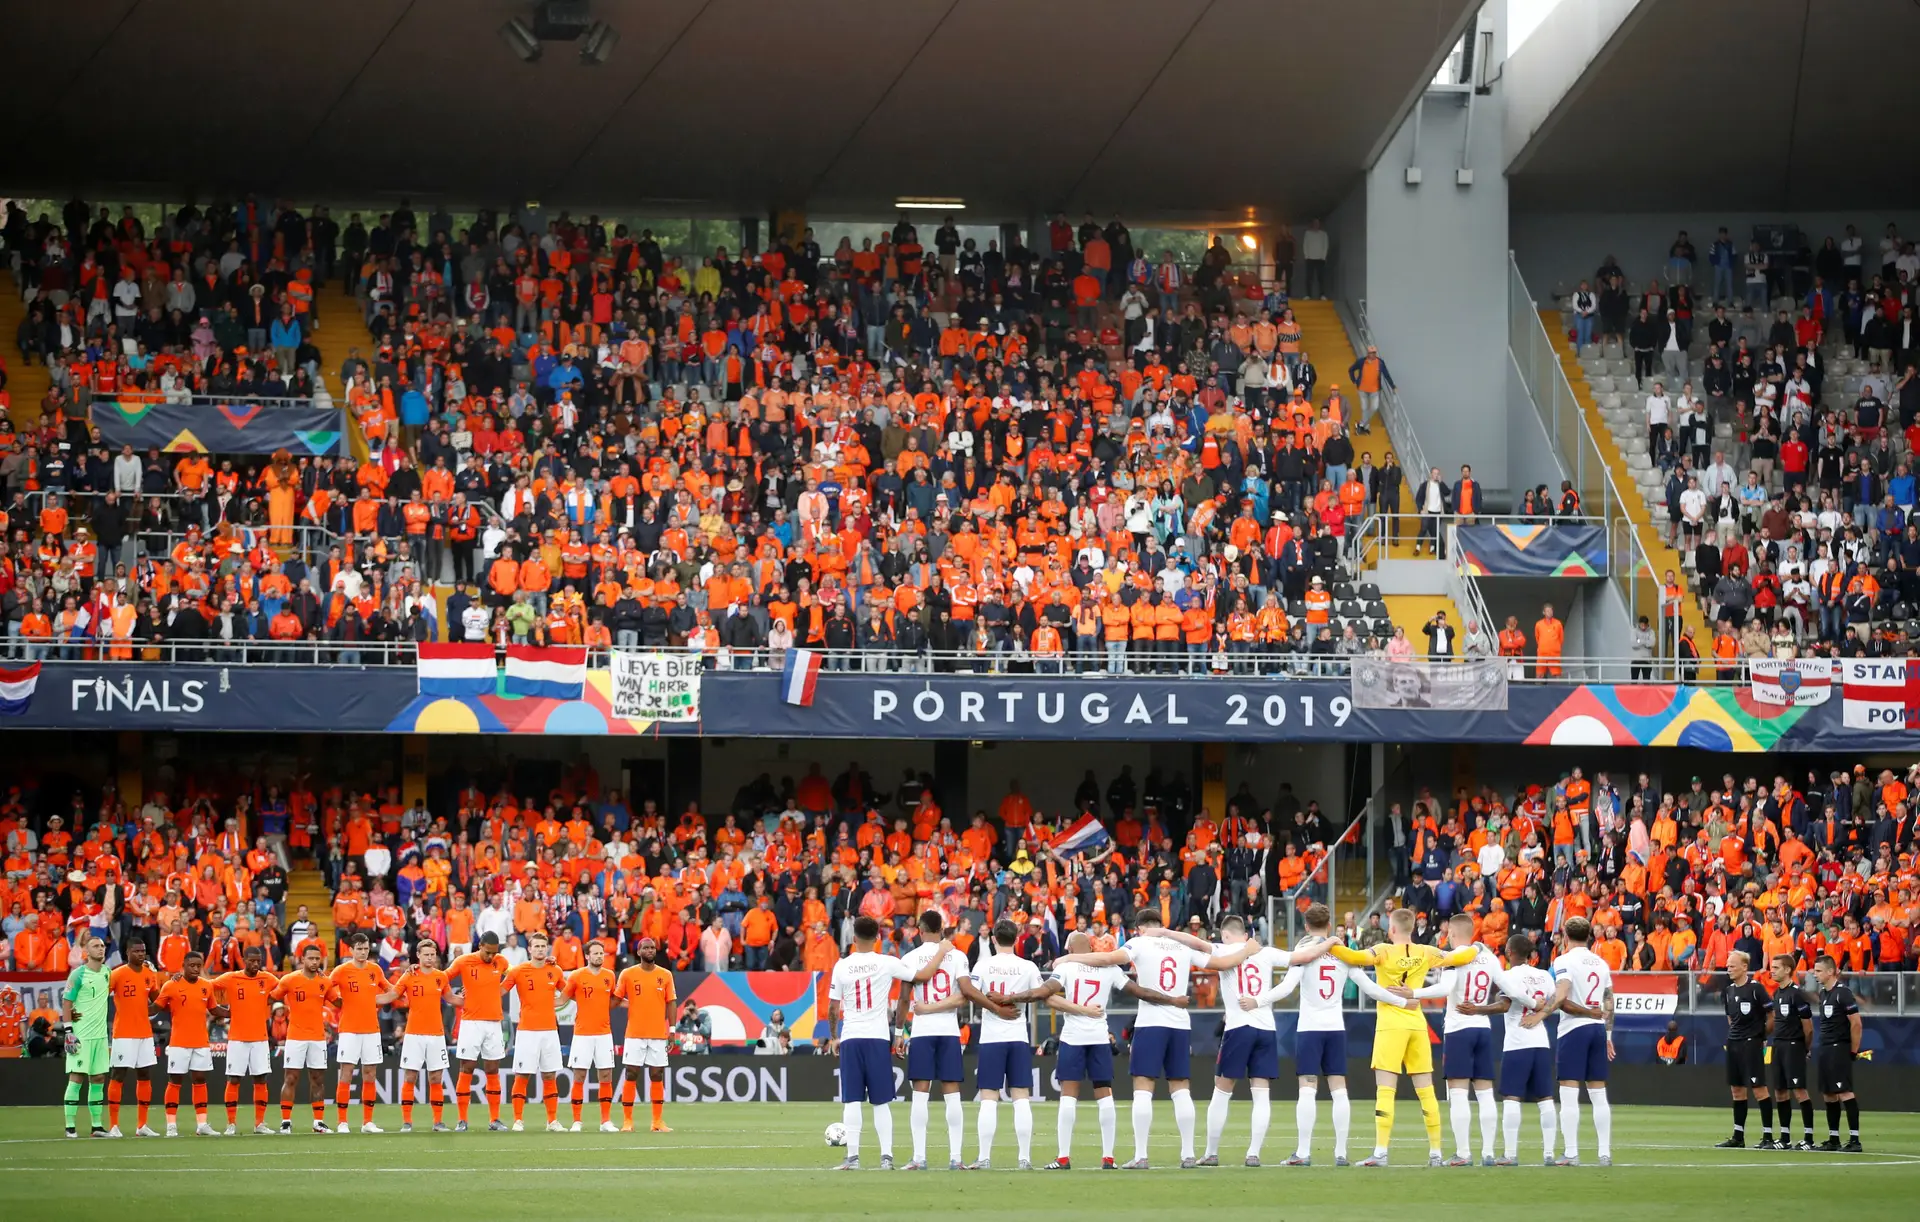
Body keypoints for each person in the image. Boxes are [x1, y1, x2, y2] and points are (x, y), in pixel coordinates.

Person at [1055, 911, 1264, 1169]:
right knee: (1180, 1088)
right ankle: (1188, 1153)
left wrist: (1069, 957)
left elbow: (1109, 958)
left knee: (1143, 1086)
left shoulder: (1140, 942)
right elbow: (1221, 965)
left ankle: (1141, 1155)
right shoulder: (1181, 944)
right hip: (1179, 1023)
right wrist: (1247, 950)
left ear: (1141, 927)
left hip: (1151, 1022)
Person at [1323, 906, 1481, 1166]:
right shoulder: (1426, 952)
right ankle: (1435, 1153)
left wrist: (1329, 942)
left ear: (1391, 929)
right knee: (1427, 1091)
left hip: (1390, 1023)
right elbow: (1460, 958)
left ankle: (1381, 1152)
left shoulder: (1383, 950)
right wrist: (1477, 948)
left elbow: (1350, 956)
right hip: (1417, 1024)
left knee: (1385, 1088)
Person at [1260, 903, 1410, 1165]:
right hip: (1335, 1029)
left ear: (1306, 926)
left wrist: (1258, 1000)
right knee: (1339, 1089)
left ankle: (1304, 1153)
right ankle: (1341, 1152)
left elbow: (1285, 988)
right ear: (1329, 925)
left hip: (1310, 1028)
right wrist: (1402, 1001)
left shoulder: (1304, 952)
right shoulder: (1343, 953)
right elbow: (1370, 988)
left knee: (1307, 1088)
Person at [827, 914, 950, 1171]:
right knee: (881, 1101)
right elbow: (924, 975)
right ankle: (886, 1157)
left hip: (851, 1036)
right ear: (877, 938)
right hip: (877, 1038)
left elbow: (833, 1006)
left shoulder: (841, 966)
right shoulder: (887, 962)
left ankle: (852, 1158)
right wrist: (941, 951)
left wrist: (834, 1036)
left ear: (853, 938)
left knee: (851, 1100)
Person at [1042, 929, 1170, 1171]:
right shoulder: (1109, 969)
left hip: (1073, 1037)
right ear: (1091, 949)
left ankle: (1063, 1157)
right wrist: (1168, 999)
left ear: (1069, 950)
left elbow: (1047, 994)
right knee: (1104, 1094)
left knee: (1069, 1095)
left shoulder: (1066, 968)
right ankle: (1108, 1157)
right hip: (1099, 1036)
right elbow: (1137, 990)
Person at [897, 910, 998, 1170]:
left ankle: (919, 1157)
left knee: (920, 1093)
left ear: (920, 930)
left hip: (921, 1031)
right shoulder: (957, 956)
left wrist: (899, 1033)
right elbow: (965, 994)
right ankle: (956, 1157)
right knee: (952, 1094)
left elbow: (905, 998)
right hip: (949, 1031)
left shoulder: (910, 957)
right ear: (941, 929)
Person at [1413, 913, 1508, 1166]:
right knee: (1485, 1093)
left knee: (1458, 1093)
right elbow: (1507, 986)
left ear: (1453, 934)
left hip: (1458, 1028)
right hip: (1483, 1028)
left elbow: (1444, 989)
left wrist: (1413, 993)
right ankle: (1488, 1152)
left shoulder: (1453, 958)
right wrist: (1534, 1003)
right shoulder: (1487, 956)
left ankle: (1464, 1153)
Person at [968, 918, 1055, 1170]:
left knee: (988, 1097)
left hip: (992, 1038)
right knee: (1021, 1097)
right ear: (1016, 939)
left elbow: (971, 994)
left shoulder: (983, 965)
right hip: (1018, 1037)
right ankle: (1024, 1158)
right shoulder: (1027, 966)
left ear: (993, 939)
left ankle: (984, 1157)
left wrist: (995, 1007)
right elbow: (1040, 994)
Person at [1540, 915, 1615, 1166]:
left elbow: (1562, 996)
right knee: (1598, 1093)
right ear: (1589, 936)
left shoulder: (1563, 960)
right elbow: (1608, 1001)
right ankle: (1604, 1153)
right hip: (1596, 1030)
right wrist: (1608, 1035)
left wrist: (1541, 1012)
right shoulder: (1601, 964)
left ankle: (1571, 1153)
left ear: (1565, 935)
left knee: (1569, 1093)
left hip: (1573, 1030)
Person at [1486, 934, 1559, 1165]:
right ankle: (1549, 1154)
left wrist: (1478, 1009)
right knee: (1546, 1098)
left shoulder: (1508, 976)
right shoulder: (1544, 975)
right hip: (1541, 1042)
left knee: (1512, 1098)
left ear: (1509, 951)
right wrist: (1540, 1015)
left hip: (1517, 1043)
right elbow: (1555, 1002)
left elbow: (1505, 1004)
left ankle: (1510, 1154)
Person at [448, 931, 512, 1130]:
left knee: (492, 1069)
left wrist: (499, 989)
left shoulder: (500, 961)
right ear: (480, 946)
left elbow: (517, 974)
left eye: (494, 953)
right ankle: (462, 1120)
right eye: (487, 952)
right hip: (471, 1023)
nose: (491, 957)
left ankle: (494, 1119)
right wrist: (454, 997)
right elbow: (441, 978)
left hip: (493, 1023)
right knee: (466, 1068)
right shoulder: (464, 961)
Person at [156, 950, 224, 1137]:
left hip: (201, 1042)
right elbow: (157, 1006)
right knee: (175, 1081)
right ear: (184, 965)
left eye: (198, 966)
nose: (195, 969)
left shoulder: (206, 986)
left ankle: (202, 1124)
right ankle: (171, 1125)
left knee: (200, 1080)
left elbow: (214, 1009)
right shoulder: (171, 985)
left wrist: (236, 1012)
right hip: (179, 1042)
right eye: (192, 965)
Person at [211, 943, 277, 1135]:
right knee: (234, 1079)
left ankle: (259, 1124)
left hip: (260, 1038)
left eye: (258, 961)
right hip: (237, 1038)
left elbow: (284, 987)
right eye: (252, 960)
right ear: (244, 960)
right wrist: (222, 1011)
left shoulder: (267, 978)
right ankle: (231, 1123)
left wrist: (267, 1000)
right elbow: (207, 987)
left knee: (261, 1079)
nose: (255, 964)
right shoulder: (231, 978)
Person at [389, 940, 454, 1133]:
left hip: (436, 1035)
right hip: (414, 1034)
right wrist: (367, 999)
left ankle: (438, 1122)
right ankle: (407, 1122)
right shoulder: (409, 976)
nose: (429, 957)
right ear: (418, 955)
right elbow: (393, 995)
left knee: (436, 1077)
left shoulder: (441, 977)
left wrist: (472, 999)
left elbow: (451, 999)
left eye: (432, 954)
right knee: (410, 1076)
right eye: (426, 954)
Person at [504, 931, 567, 1131]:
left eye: (542, 946)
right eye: (536, 946)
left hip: (550, 1031)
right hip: (527, 1031)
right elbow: (501, 990)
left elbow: (568, 993)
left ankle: (552, 1121)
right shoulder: (519, 971)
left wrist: (554, 1002)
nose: (540, 949)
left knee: (550, 1076)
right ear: (529, 949)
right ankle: (518, 1120)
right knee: (522, 1075)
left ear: (547, 948)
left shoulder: (555, 970)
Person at [329, 932, 390, 1133]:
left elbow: (391, 991)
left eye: (365, 949)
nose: (363, 952)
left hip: (371, 1029)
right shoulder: (341, 971)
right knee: (346, 1072)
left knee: (370, 1073)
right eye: (359, 949)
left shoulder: (375, 970)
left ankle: (367, 1122)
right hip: (349, 1029)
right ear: (351, 950)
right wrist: (337, 1002)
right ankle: (342, 1122)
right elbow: (325, 988)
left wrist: (378, 1004)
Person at [613, 937, 676, 1132]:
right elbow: (616, 999)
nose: (650, 950)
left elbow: (671, 1002)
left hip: (658, 1033)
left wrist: (672, 1031)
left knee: (657, 1074)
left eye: (652, 948)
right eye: (645, 948)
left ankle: (657, 1121)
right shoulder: (627, 974)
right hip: (635, 1033)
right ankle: (627, 1121)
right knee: (632, 1073)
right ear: (638, 952)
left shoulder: (665, 975)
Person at [270, 943, 332, 1133]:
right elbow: (272, 997)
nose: (314, 961)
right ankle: (286, 1122)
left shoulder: (325, 981)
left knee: (318, 1079)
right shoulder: (289, 979)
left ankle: (318, 1122)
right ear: (302, 959)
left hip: (318, 1037)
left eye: (317, 958)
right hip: (295, 1036)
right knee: (290, 1078)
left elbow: (338, 1000)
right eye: (311, 958)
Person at [1715, 949, 1772, 1149]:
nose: (1728, 969)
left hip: (1752, 1043)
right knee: (1737, 1090)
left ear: (1744, 967)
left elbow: (1771, 1015)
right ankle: (1738, 1137)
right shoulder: (1728, 991)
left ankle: (1768, 1136)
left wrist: (1762, 1036)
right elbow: (1730, 1017)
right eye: (1728, 965)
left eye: (1732, 965)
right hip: (1734, 1043)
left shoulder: (1756, 988)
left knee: (1759, 1089)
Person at [106, 937, 162, 1136]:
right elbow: (102, 995)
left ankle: (142, 1125)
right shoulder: (118, 974)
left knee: (144, 1075)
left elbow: (157, 1000)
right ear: (128, 953)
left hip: (145, 1033)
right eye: (137, 951)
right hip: (123, 1033)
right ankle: (114, 1125)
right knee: (119, 1075)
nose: (141, 954)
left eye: (143, 951)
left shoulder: (149, 974)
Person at [561, 940, 617, 1131]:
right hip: (582, 1034)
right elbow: (562, 999)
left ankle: (605, 1121)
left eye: (601, 953)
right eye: (595, 953)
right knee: (579, 1075)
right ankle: (577, 1121)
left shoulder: (610, 976)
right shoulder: (577, 976)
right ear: (587, 956)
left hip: (604, 1033)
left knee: (606, 1074)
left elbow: (615, 1000)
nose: (599, 956)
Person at [60, 933, 111, 1138]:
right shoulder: (77, 974)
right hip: (81, 1034)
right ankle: (70, 1126)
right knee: (77, 1078)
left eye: (102, 945)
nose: (101, 948)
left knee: (98, 1077)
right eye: (96, 946)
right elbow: (66, 1003)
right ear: (87, 951)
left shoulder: (107, 972)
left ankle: (97, 1126)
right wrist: (68, 1032)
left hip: (100, 1035)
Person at [1811, 954, 1862, 1152]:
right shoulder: (1824, 994)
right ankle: (1834, 1139)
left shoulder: (1843, 993)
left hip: (1839, 1047)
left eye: (1818, 971)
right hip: (1824, 1047)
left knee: (1844, 1092)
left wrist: (1852, 1050)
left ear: (1830, 971)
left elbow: (1856, 1023)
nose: (1815, 974)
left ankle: (1855, 1140)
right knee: (1828, 1093)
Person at [1767, 952, 1816, 1150]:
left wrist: (1804, 1049)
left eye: (1776, 967)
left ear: (1788, 970)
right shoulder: (1777, 993)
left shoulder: (1797, 993)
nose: (1772, 970)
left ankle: (1809, 1138)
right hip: (1778, 1045)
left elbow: (1809, 1027)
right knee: (1779, 1091)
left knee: (1799, 1091)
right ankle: (1785, 1137)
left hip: (1794, 1045)